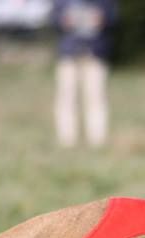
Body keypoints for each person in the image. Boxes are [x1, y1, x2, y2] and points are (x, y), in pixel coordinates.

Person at [51, 0, 118, 148]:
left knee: (97, 97)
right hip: (68, 53)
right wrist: (63, 20)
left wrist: (102, 19)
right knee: (66, 97)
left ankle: (98, 141)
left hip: (95, 52)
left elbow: (113, 16)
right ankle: (66, 140)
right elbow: (53, 16)